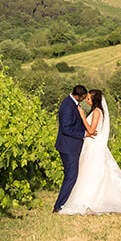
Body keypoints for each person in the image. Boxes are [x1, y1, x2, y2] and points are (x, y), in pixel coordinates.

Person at [58, 89, 121, 216]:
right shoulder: (95, 111)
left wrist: (82, 116)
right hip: (91, 144)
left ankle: (90, 198)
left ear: (94, 100)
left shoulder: (97, 112)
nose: (86, 100)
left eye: (89, 98)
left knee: (92, 171)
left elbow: (90, 131)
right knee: (87, 171)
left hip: (94, 145)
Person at [53, 84, 91, 213]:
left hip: (70, 146)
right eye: (83, 98)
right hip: (68, 147)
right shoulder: (68, 106)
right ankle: (59, 206)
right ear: (78, 96)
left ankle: (64, 202)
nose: (84, 100)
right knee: (71, 176)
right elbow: (67, 129)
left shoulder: (72, 102)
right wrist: (84, 134)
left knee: (71, 175)